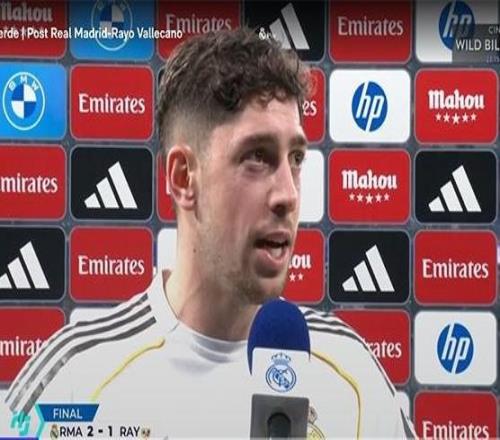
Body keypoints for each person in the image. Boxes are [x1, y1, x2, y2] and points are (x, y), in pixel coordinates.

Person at [1, 28, 416, 438]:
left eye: (295, 159)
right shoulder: (77, 378)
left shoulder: (352, 379)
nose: (288, 195)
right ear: (183, 177)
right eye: (257, 157)